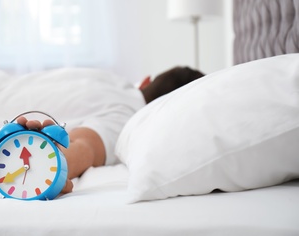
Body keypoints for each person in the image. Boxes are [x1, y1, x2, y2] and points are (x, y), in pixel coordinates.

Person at [16, 66, 204, 194]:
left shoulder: (107, 77)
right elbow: (84, 146)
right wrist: (51, 170)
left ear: (146, 81)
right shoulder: (126, 117)